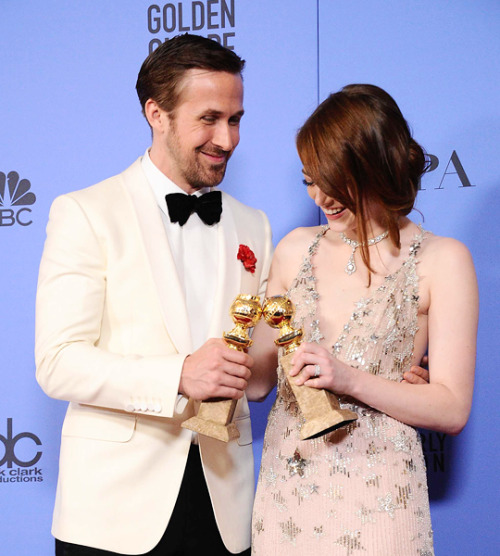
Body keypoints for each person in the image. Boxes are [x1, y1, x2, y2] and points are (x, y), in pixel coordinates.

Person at [35, 34, 274, 556]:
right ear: (156, 114)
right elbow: (57, 362)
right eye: (209, 118)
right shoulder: (85, 212)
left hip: (226, 512)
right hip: (111, 515)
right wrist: (179, 375)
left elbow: (259, 376)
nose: (227, 139)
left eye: (235, 119)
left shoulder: (253, 225)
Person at [248, 84, 478, 555]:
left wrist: (350, 379)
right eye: (310, 179)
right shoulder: (295, 248)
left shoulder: (442, 259)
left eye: (335, 178)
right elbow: (256, 383)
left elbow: (452, 408)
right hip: (286, 492)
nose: (322, 195)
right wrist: (232, 348)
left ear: (376, 165)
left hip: (380, 495)